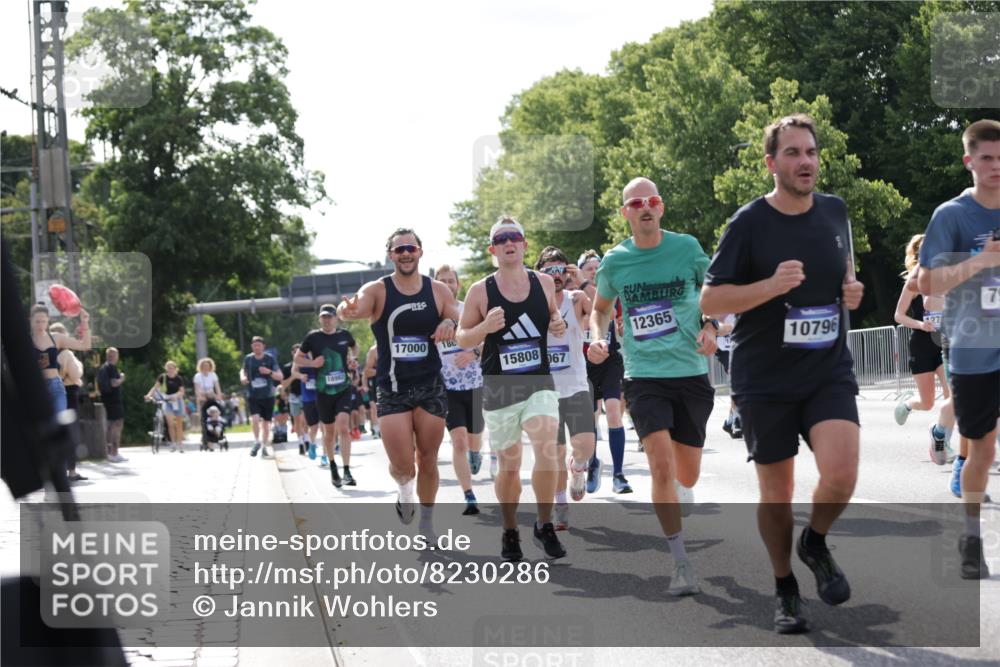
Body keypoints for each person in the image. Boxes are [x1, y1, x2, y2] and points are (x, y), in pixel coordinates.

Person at [701, 114, 865, 633]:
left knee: (841, 473)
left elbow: (844, 270)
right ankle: (784, 586)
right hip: (765, 377)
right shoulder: (748, 223)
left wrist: (851, 290)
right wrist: (770, 286)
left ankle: (814, 541)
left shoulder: (835, 211)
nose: (805, 161)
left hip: (826, 368)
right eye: (792, 153)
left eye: (811, 152)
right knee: (777, 493)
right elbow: (711, 300)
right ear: (771, 163)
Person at [589, 178, 718, 597]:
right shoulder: (616, 261)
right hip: (643, 375)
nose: (645, 207)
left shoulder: (687, 248)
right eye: (636, 203)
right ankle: (680, 562)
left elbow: (713, 294)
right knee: (661, 466)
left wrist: (711, 325)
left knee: (687, 473)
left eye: (652, 200)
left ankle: (683, 486)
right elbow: (600, 309)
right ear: (625, 212)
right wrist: (597, 337)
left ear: (661, 208)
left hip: (690, 371)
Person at [917, 118, 1000, 580]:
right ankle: (970, 535)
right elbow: (927, 283)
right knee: (982, 450)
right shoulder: (951, 215)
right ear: (969, 161)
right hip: (973, 347)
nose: (996, 166)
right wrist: (981, 260)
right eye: (987, 158)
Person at [457, 217, 568, 561]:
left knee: (547, 446)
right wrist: (484, 328)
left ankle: (544, 524)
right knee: (509, 465)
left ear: (524, 245)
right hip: (500, 386)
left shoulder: (544, 283)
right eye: (502, 239)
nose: (509, 243)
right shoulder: (480, 291)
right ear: (493, 249)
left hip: (538, 381)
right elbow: (462, 338)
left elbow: (555, 318)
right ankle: (509, 529)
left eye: (515, 237)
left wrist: (558, 324)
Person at [338, 228, 460, 540]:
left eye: (410, 248)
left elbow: (456, 315)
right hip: (392, 388)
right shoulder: (378, 290)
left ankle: (427, 524)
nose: (405, 253)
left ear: (420, 251)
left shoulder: (437, 290)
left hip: (430, 385)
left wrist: (450, 322)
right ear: (390, 255)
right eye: (399, 249)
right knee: (404, 466)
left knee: (428, 460)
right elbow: (354, 308)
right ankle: (405, 491)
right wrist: (345, 311)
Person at [535, 246, 596, 530]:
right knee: (556, 452)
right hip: (545, 390)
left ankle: (579, 467)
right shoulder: (532, 305)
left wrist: (582, 280)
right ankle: (560, 504)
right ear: (540, 274)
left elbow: (604, 310)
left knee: (585, 444)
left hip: (576, 385)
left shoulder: (576, 299)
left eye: (560, 269)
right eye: (549, 271)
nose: (556, 275)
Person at [893, 234, 956, 464]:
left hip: (943, 342)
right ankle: (908, 403)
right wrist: (921, 324)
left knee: (952, 396)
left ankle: (942, 441)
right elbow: (898, 315)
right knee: (928, 402)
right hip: (921, 344)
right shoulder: (914, 281)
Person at [434, 264, 487, 516]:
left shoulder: (470, 310)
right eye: (442, 281)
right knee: (458, 441)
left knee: (474, 438)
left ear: (458, 284)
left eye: (450, 280)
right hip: (447, 389)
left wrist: (473, 352)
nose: (447, 285)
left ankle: (476, 453)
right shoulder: (430, 317)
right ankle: (469, 495)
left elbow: (491, 339)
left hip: (474, 385)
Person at [295, 306, 359, 487]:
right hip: (323, 391)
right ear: (319, 319)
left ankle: (347, 470)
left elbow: (355, 346)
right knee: (329, 433)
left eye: (330, 317)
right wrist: (312, 363)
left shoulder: (344, 335)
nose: (327, 320)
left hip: (343, 388)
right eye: (323, 317)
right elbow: (297, 359)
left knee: (343, 427)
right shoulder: (312, 337)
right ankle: (333, 467)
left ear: (336, 318)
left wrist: (353, 358)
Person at [29, 302, 91, 416]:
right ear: (30, 320)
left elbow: (85, 345)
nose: (40, 325)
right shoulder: (25, 340)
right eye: (37, 321)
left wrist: (85, 322)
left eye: (43, 321)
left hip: (55, 387)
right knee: (40, 424)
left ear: (48, 320)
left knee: (58, 422)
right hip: (35, 387)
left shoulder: (56, 338)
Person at [49, 322, 86, 481]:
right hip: (69, 393)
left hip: (52, 393)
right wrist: (80, 365)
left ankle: (57, 470)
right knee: (70, 433)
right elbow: (76, 374)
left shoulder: (47, 353)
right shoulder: (67, 354)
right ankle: (71, 471)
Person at [240, 336, 283, 457]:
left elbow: (280, 376)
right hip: (253, 395)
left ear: (263, 346)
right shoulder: (248, 359)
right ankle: (256, 441)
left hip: (268, 396)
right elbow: (243, 370)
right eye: (254, 345)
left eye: (259, 345)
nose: (257, 347)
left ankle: (264, 446)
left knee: (266, 423)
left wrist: (269, 372)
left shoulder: (270, 359)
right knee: (255, 419)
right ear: (252, 347)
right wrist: (243, 377)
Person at [146, 361, 187, 452]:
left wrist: (176, 396)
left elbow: (182, 391)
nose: (170, 370)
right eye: (168, 368)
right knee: (170, 423)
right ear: (166, 368)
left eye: (172, 368)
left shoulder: (178, 378)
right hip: (167, 400)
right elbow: (155, 387)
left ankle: (180, 444)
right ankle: (173, 443)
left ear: (175, 369)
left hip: (177, 400)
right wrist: (149, 395)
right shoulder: (162, 377)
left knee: (179, 424)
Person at [96, 347, 126, 462]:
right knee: (117, 425)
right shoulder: (111, 367)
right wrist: (122, 378)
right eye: (116, 355)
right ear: (114, 356)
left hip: (107, 400)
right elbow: (113, 383)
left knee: (110, 426)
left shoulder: (104, 367)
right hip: (114, 401)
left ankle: (110, 453)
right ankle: (114, 453)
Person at [280, 343, 309, 455]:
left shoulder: (306, 365)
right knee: (297, 421)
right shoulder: (287, 367)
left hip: (306, 395)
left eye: (300, 352)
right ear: (292, 353)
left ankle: (306, 439)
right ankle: (300, 443)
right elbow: (284, 384)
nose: (298, 354)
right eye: (295, 352)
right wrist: (294, 375)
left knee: (305, 419)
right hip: (294, 396)